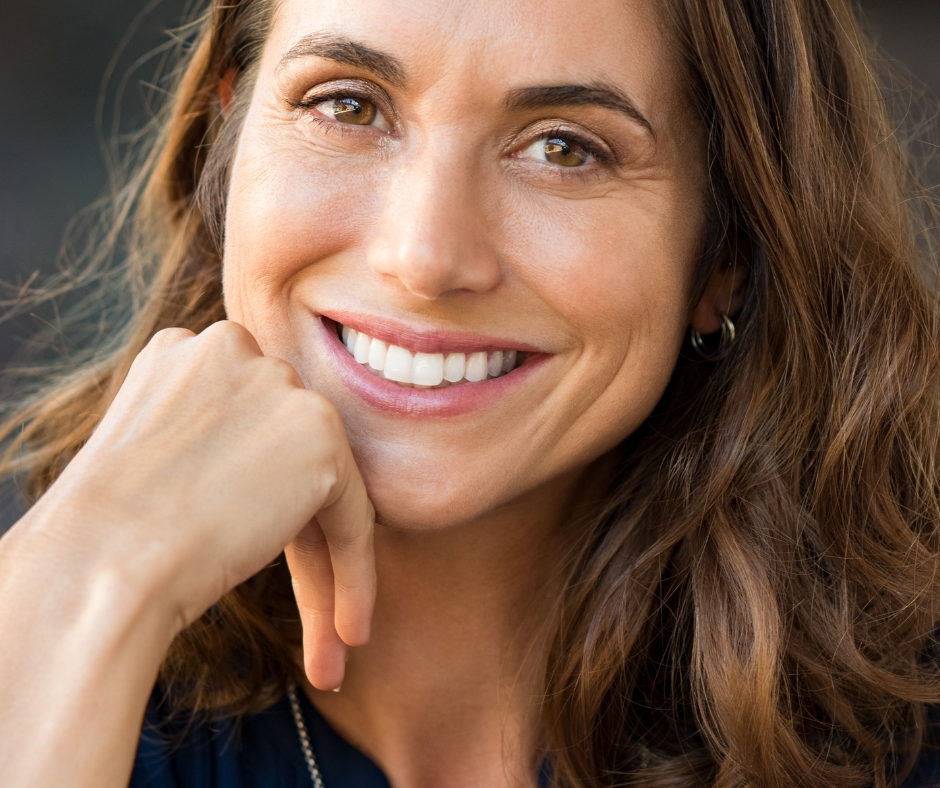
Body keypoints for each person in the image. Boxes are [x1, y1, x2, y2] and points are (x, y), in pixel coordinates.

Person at [2, 0, 940, 785]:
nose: (424, 257)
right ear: (229, 142)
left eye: (566, 149)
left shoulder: (904, 734)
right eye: (349, 105)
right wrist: (83, 576)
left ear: (724, 259)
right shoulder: (70, 632)